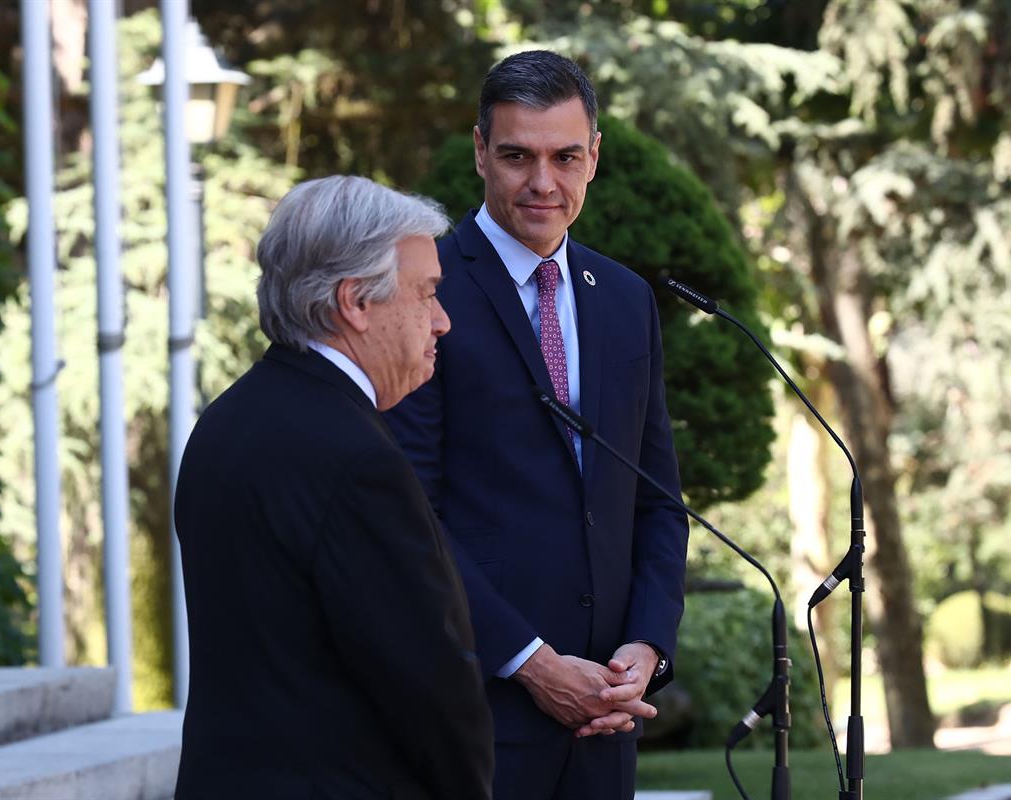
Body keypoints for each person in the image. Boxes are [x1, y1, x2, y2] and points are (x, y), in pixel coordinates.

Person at [384, 51, 690, 800]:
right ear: (481, 152)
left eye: (566, 157)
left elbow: (655, 499)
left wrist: (644, 648)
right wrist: (533, 663)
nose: (543, 183)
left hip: (607, 722)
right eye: (518, 156)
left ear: (595, 157)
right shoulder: (425, 291)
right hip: (480, 714)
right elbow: (408, 516)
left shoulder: (625, 299)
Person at [173, 175, 494, 800]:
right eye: (426, 294)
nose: (443, 321)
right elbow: (426, 680)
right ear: (355, 301)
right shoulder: (353, 456)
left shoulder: (225, 421)